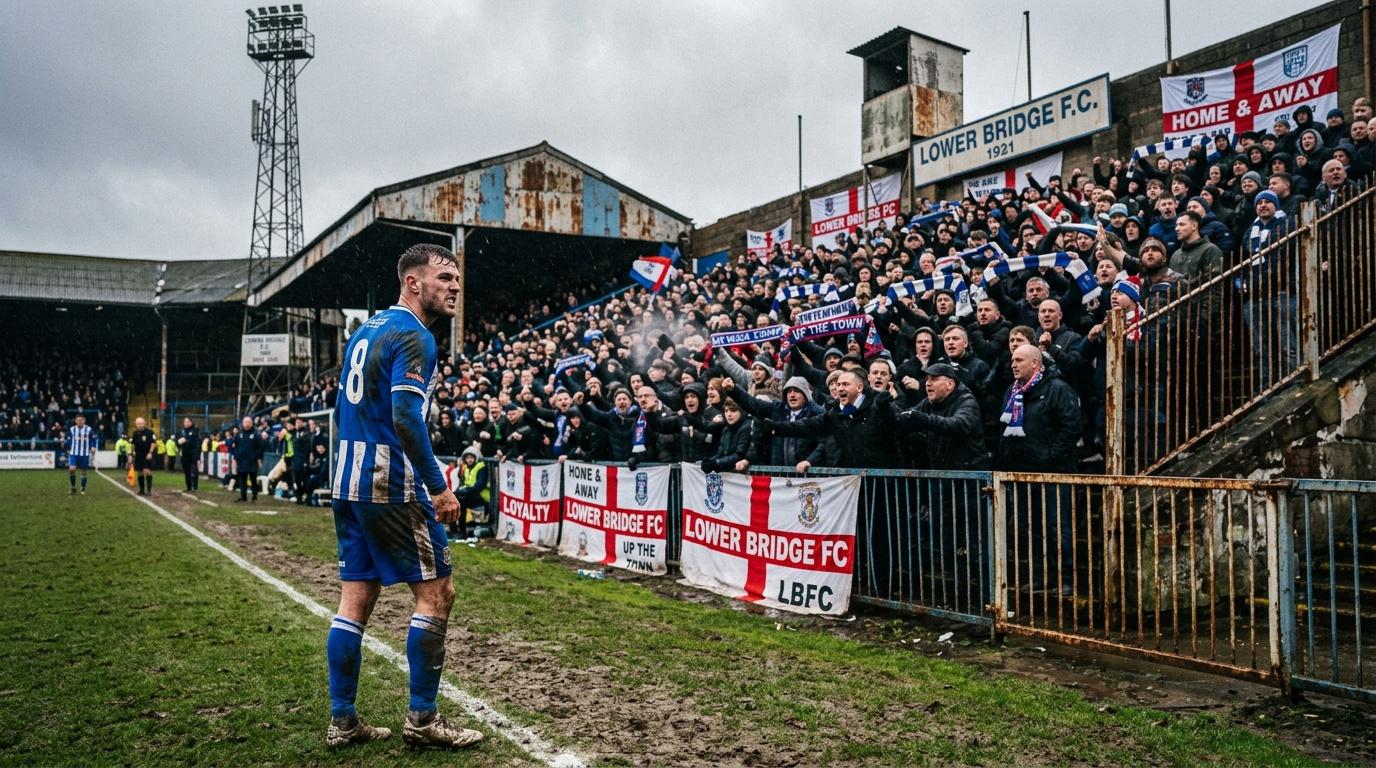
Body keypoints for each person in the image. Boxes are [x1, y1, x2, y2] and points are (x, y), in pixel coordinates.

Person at [325, 243, 483, 750]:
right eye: (444, 277)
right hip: (389, 480)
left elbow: (346, 411)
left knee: (355, 598)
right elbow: (405, 418)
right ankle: (423, 719)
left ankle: (342, 720)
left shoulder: (366, 330)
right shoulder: (415, 335)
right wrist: (439, 487)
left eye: (457, 278)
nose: (455, 286)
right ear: (413, 283)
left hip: (348, 479)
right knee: (437, 593)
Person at [449, 446, 489, 540]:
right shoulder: (466, 468)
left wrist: (464, 491)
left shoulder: (481, 467)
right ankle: (455, 530)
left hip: (481, 497)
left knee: (459, 501)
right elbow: (462, 480)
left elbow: (479, 486)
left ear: (476, 458)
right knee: (454, 501)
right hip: (469, 495)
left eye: (471, 458)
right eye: (467, 458)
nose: (469, 460)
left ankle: (459, 531)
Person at [229, 416, 267, 503]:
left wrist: (256, 456)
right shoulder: (239, 434)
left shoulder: (256, 434)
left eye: (248, 422)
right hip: (242, 461)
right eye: (245, 422)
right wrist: (237, 456)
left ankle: (254, 497)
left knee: (253, 479)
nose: (247, 424)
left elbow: (261, 447)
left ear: (252, 423)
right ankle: (243, 497)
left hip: (252, 461)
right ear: (242, 423)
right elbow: (234, 446)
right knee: (242, 480)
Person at [65, 413, 97, 495]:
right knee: (71, 469)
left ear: (84, 421)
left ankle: (83, 488)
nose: (80, 422)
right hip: (74, 453)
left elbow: (93, 439)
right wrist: (69, 446)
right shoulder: (72, 429)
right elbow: (68, 439)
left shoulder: (89, 429)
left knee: (83, 472)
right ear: (75, 421)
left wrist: (93, 447)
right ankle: (73, 487)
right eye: (78, 420)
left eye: (81, 420)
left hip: (84, 453)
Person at [130, 417, 158, 496]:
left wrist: (150, 453)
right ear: (136, 424)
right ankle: (142, 490)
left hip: (147, 454)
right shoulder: (135, 433)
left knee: (147, 471)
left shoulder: (150, 432)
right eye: (138, 423)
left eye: (141, 423)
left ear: (144, 423)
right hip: (138, 455)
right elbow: (133, 444)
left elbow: (153, 443)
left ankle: (149, 491)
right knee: (140, 472)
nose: (139, 425)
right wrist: (132, 453)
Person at [177, 416, 202, 492]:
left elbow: (197, 443)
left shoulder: (195, 430)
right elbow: (177, 442)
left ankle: (194, 487)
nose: (186, 423)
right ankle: (189, 487)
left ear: (191, 422)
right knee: (186, 471)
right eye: (185, 421)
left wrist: (198, 456)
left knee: (193, 471)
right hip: (184, 454)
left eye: (188, 421)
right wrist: (178, 442)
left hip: (193, 454)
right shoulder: (181, 431)